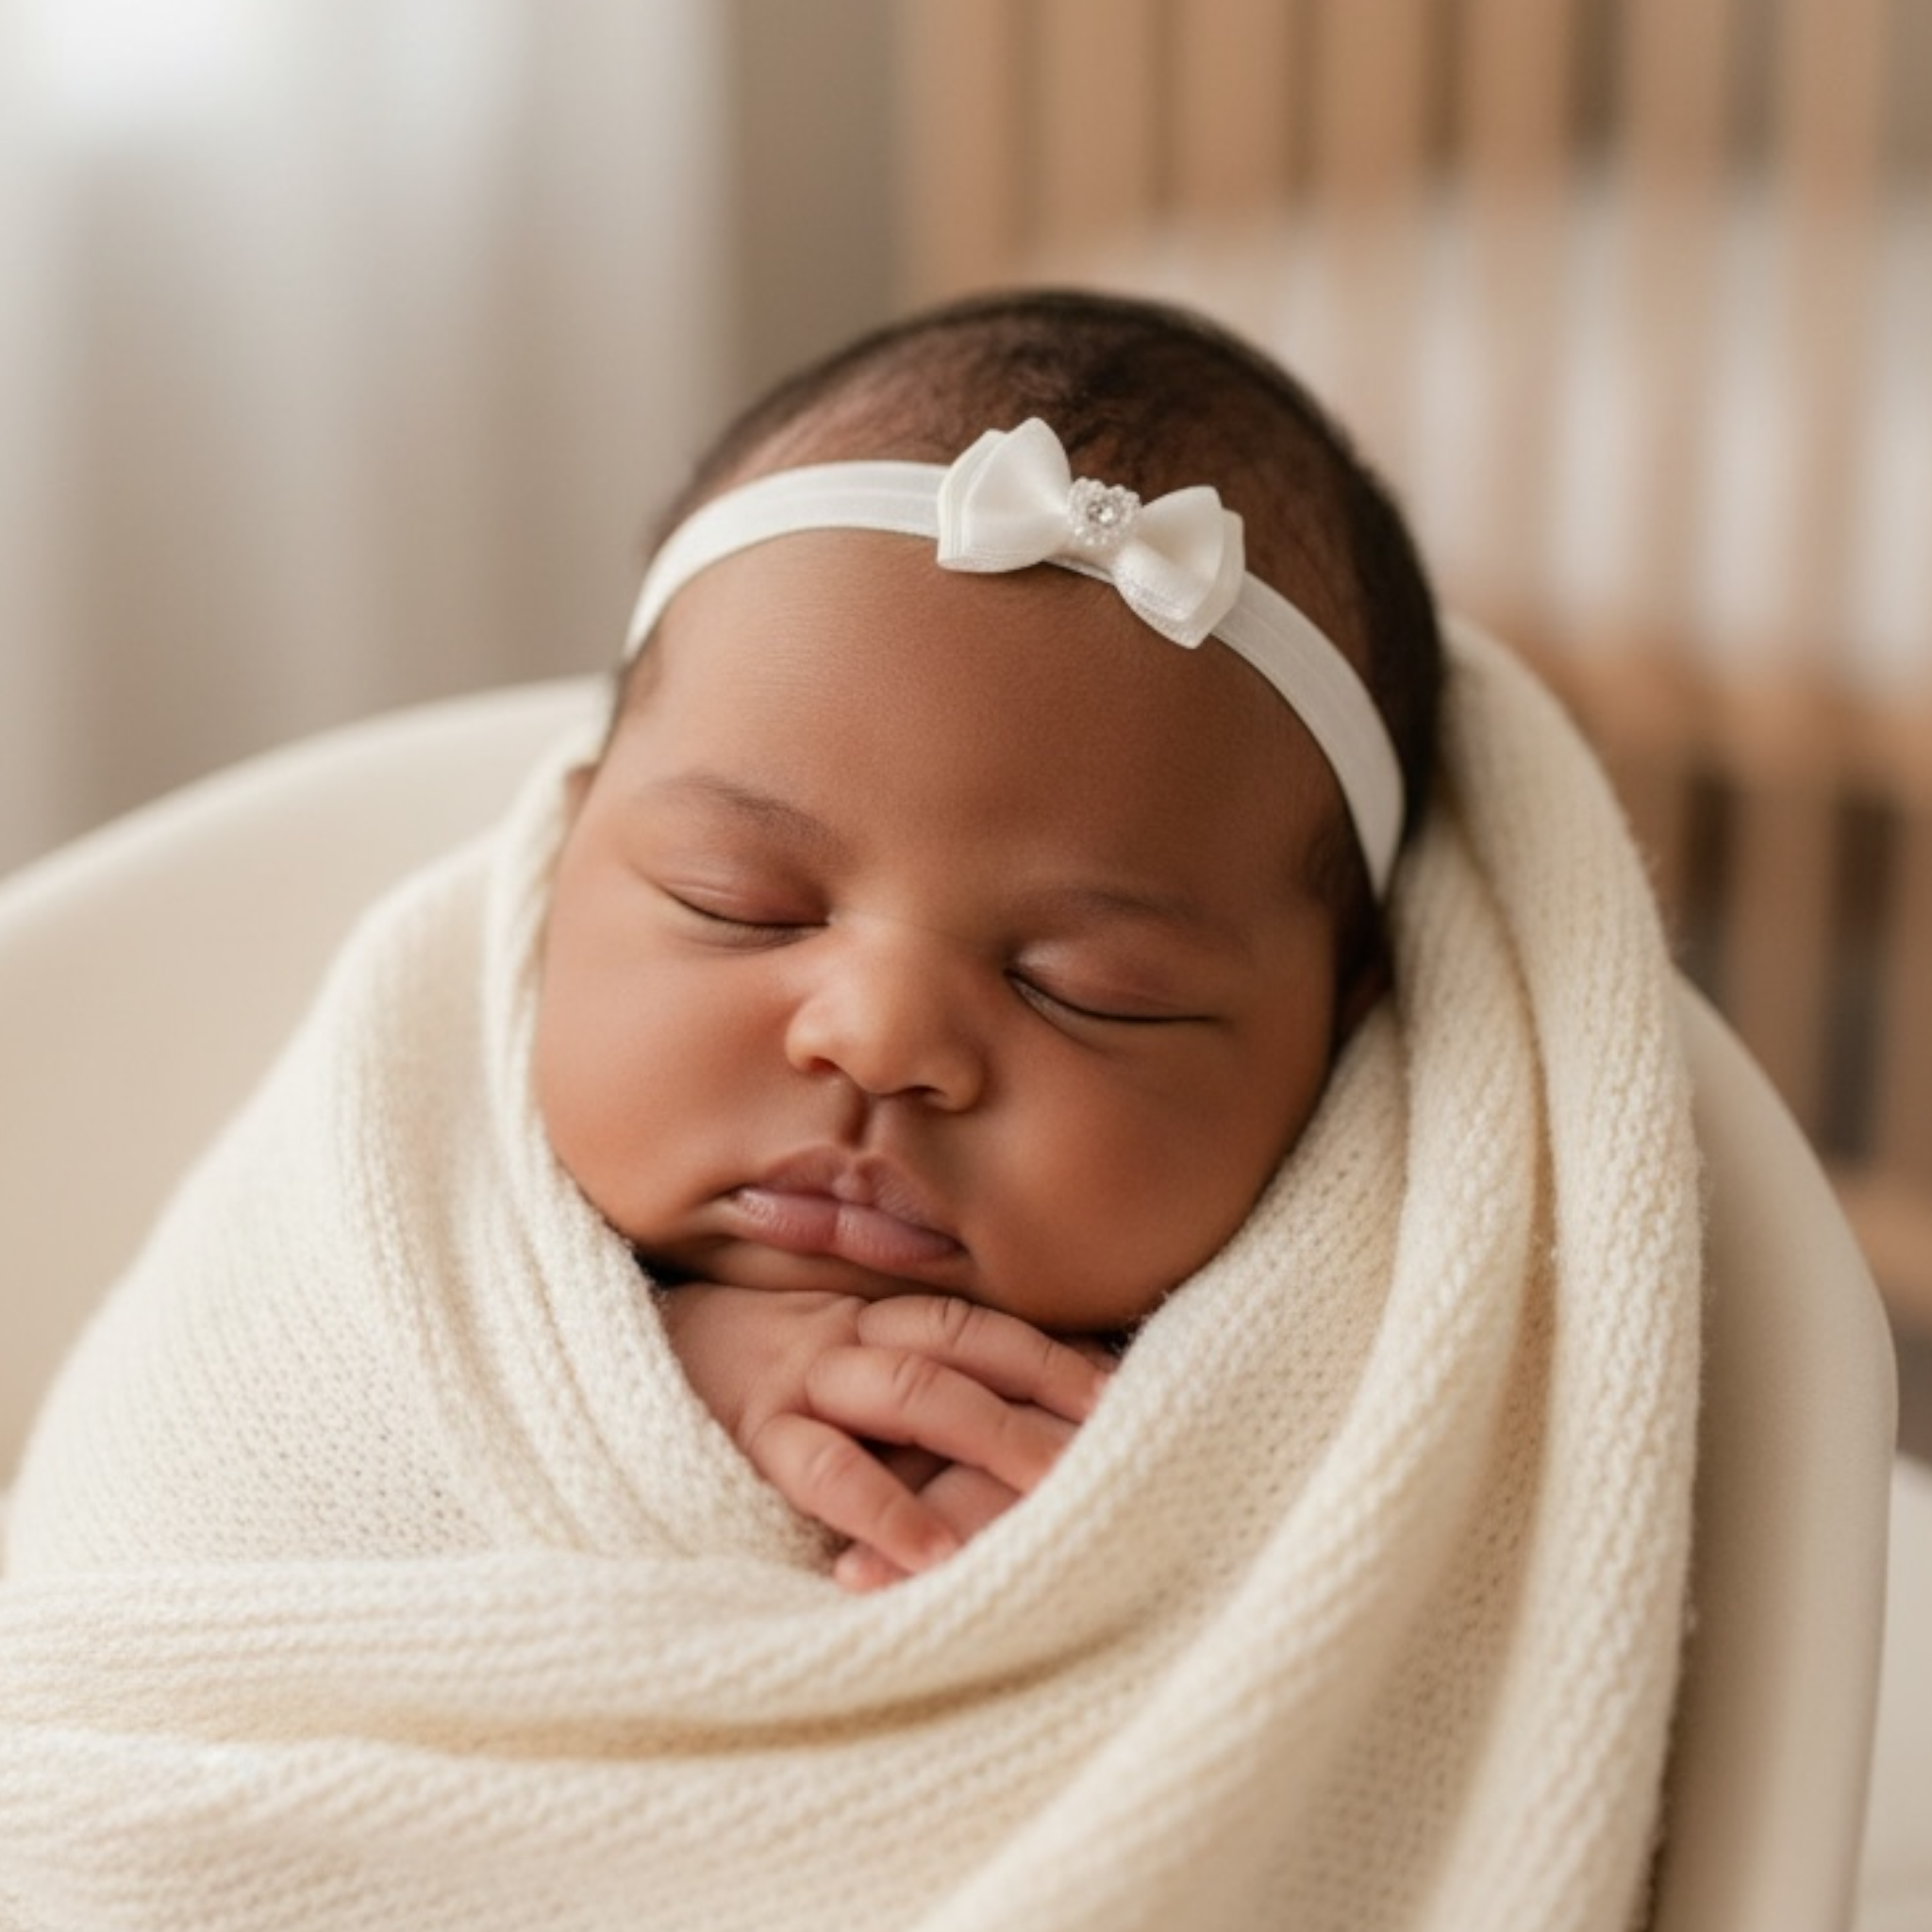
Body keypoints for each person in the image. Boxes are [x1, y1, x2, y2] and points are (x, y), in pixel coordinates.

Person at [528, 287, 1444, 1590]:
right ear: (569, 853)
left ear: (1340, 1023)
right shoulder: (421, 1207)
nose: (880, 1038)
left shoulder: (1348, 1374)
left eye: (1090, 992)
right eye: (741, 904)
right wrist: (659, 1381)